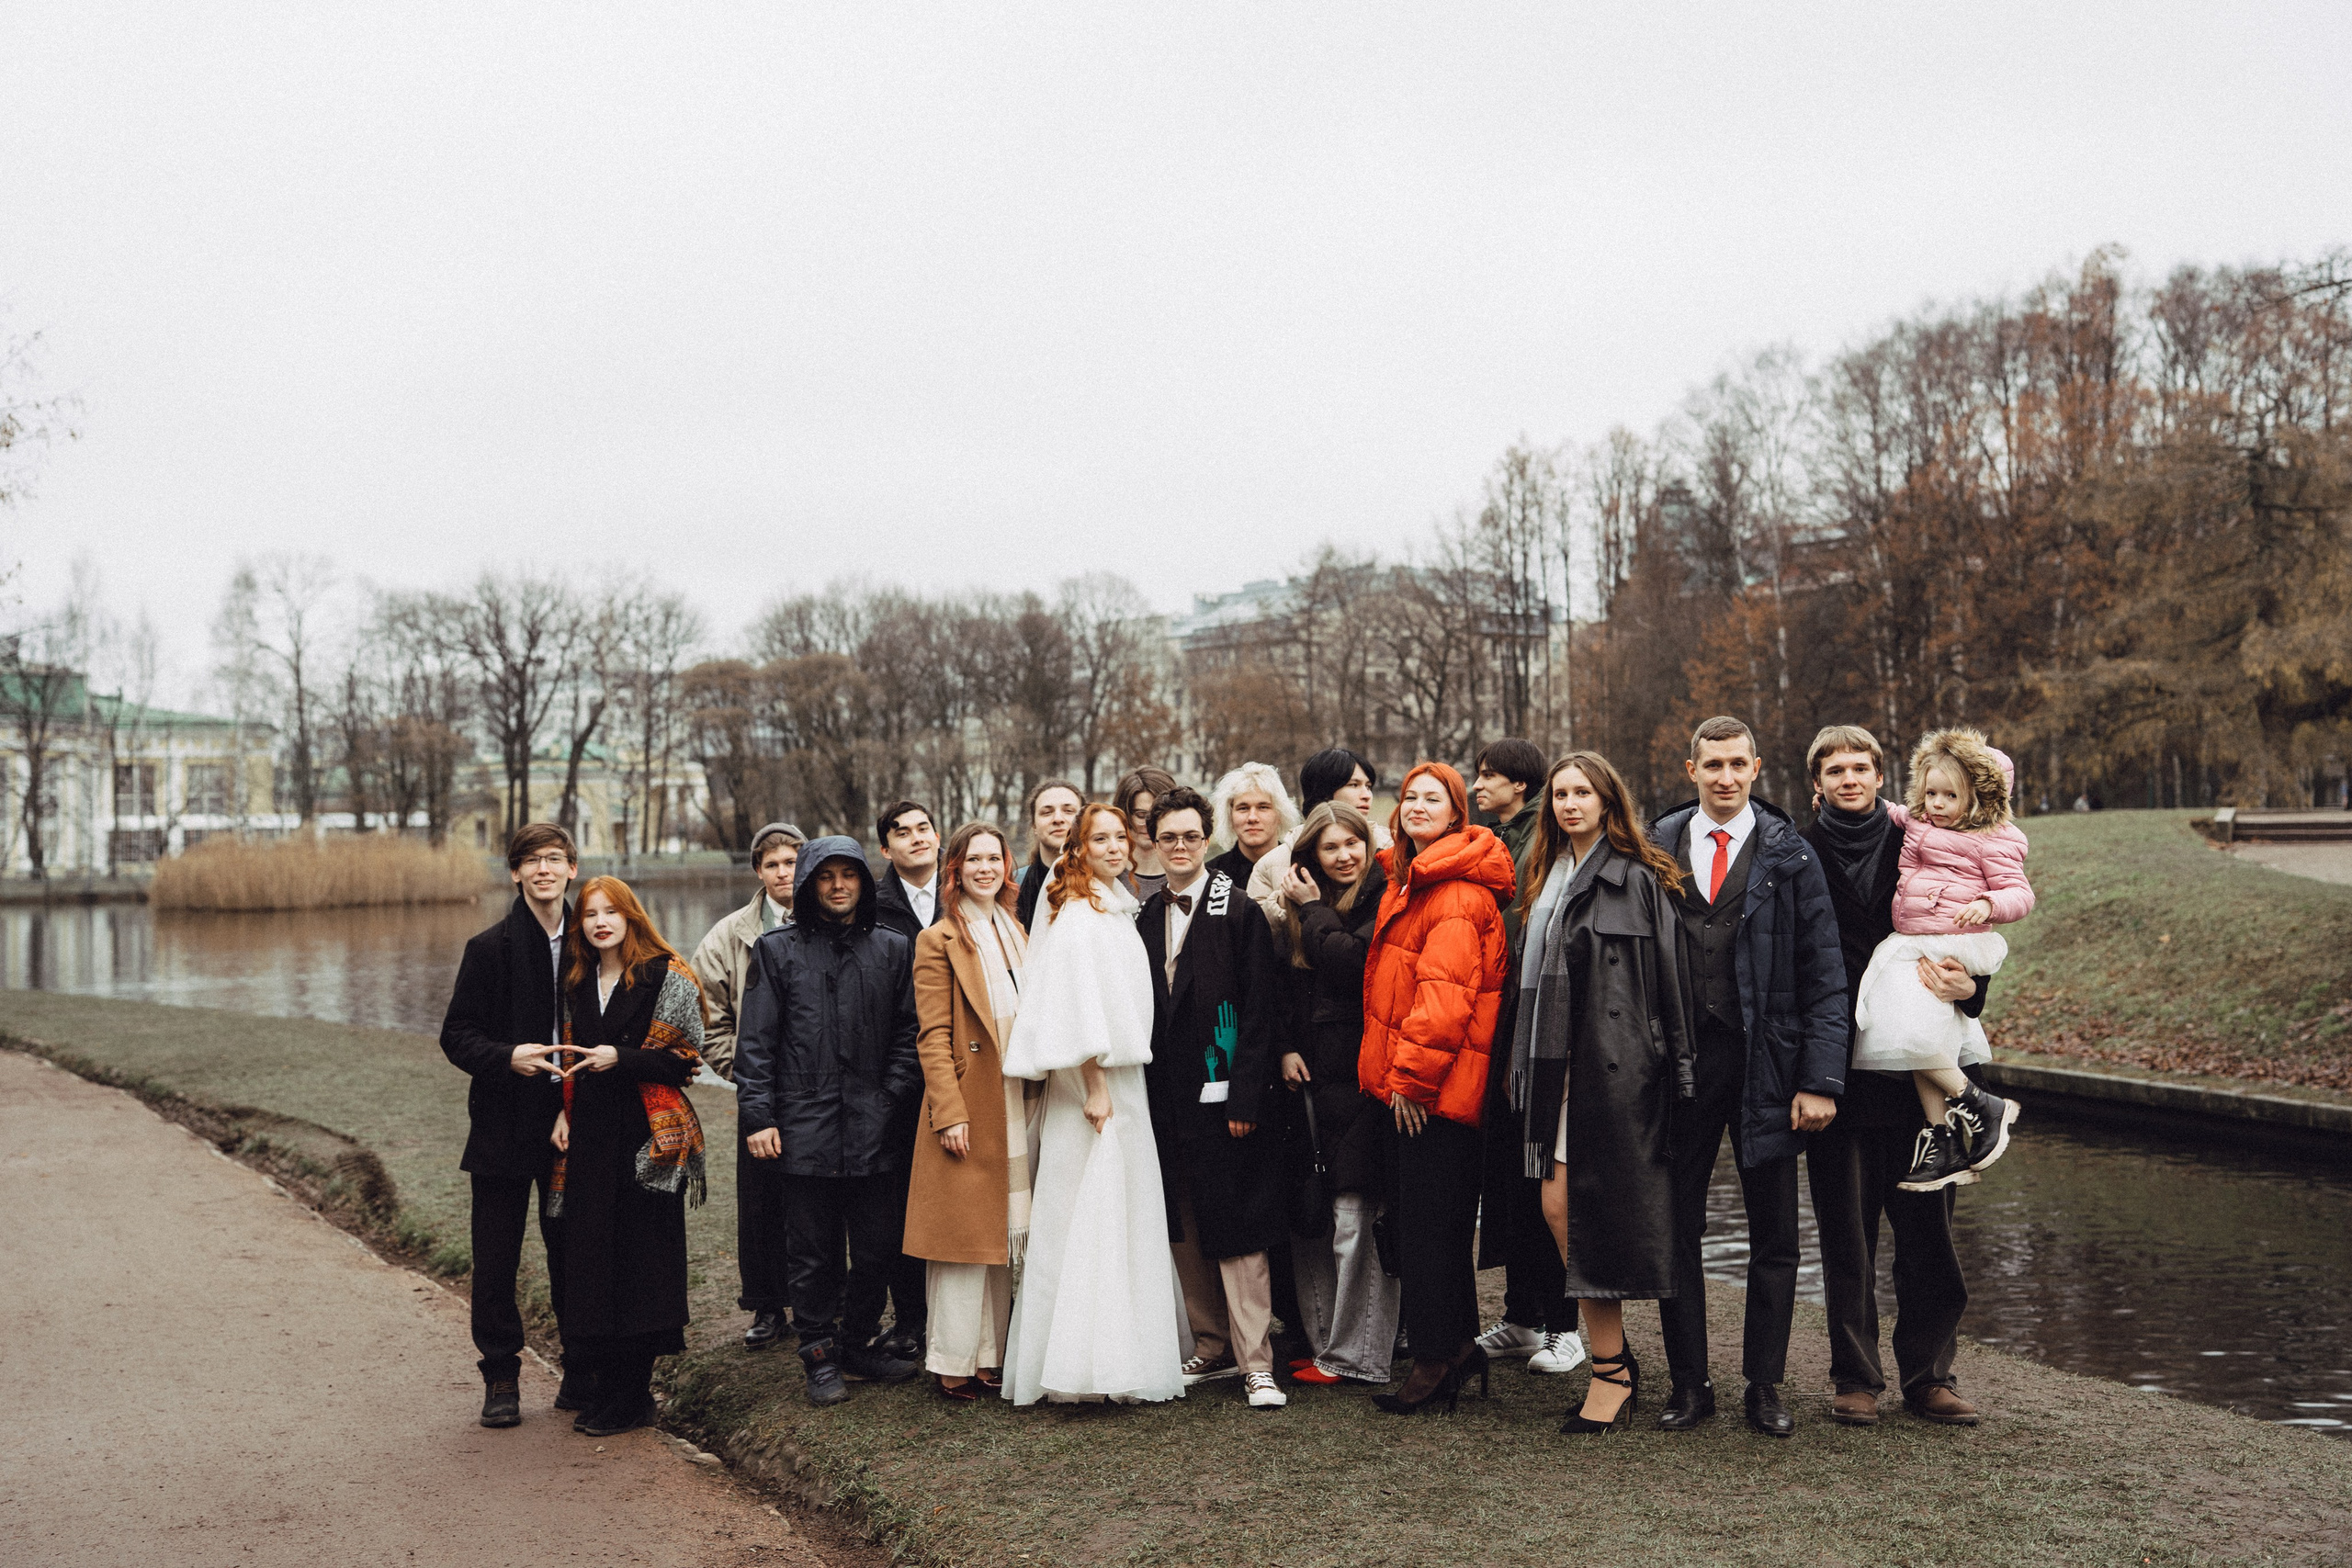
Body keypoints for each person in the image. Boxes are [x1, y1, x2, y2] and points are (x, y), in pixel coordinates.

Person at [1649, 716, 1848, 1438]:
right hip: (1680, 1069)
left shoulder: (1791, 855)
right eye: (1713, 765)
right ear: (1691, 767)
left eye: (1738, 764)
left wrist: (1820, 1079)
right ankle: (1689, 1383)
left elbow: (1826, 975)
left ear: (1757, 767)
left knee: (1774, 1233)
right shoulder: (1656, 848)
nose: (1726, 777)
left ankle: (1764, 1385)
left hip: (1768, 1064)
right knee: (1677, 1226)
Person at [1499, 752, 1695, 1434]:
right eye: (1560, 793)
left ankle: (1612, 1374)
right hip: (1555, 1072)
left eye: (1583, 792)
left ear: (1609, 801)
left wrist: (1669, 1071)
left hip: (1610, 1076)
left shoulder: (1636, 878)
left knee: (1574, 1214)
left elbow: (1663, 986)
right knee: (1560, 1212)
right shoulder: (1547, 875)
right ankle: (1615, 1365)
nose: (1569, 803)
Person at [1804, 726, 1987, 1428]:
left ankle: (1930, 1374)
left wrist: (1971, 988)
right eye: (1835, 769)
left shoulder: (1925, 836)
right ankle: (1856, 1376)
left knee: (1930, 1237)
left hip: (1923, 1073)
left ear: (1881, 776)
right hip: (1839, 1073)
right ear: (1816, 782)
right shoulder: (1797, 850)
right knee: (1847, 1238)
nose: (1850, 778)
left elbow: (1968, 924)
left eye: (1861, 766)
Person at [999, 803, 1188, 1405]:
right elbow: (1077, 1006)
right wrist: (1098, 1085)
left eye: (1119, 837)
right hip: (1096, 1082)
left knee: (1117, 1210)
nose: (1113, 846)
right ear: (1077, 848)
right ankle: (1083, 1365)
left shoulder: (1110, 905)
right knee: (1089, 1211)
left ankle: (1118, 1354)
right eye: (1098, 838)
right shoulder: (1078, 913)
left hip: (1121, 1076)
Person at [735, 837, 924, 1405]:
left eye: (849, 875)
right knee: (812, 1249)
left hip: (875, 1126)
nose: (838, 886)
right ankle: (818, 1352)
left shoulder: (893, 949)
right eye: (826, 876)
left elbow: (909, 1035)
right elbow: (757, 1044)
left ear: (864, 884)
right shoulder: (777, 951)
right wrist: (760, 1117)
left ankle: (856, 1341)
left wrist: (888, 1097)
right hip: (803, 1127)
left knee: (877, 1248)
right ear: (809, 884)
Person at [1359, 761, 1516, 1416]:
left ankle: (1434, 1356)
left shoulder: (1454, 892)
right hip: (1416, 1086)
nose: (1417, 806)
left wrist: (1413, 1084)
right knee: (1435, 1226)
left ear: (1458, 815)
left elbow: (1444, 1003)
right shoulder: (1412, 880)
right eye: (1411, 797)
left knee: (1429, 1228)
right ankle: (1454, 1347)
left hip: (1432, 1094)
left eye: (1434, 799)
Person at [1138, 784, 1290, 1409]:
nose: (1179, 846)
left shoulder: (1238, 910)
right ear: (1154, 842)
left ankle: (1257, 1361)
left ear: (1208, 840)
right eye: (1168, 836)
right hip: (1166, 1095)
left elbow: (1260, 1011)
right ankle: (1211, 1341)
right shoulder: (1145, 918)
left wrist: (1245, 1099)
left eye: (1190, 836)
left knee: (1239, 1223)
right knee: (1185, 1221)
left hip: (1228, 1091)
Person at [546, 875, 708, 1438]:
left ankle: (634, 1394)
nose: (600, 922)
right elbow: (567, 1059)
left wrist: (624, 1056)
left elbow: (687, 1062)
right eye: (589, 914)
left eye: (611, 911)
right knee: (594, 1264)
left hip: (646, 1142)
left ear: (631, 915)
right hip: (589, 1137)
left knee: (643, 1266)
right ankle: (611, 1389)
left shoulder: (666, 975)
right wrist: (563, 1111)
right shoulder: (576, 981)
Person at [438, 822, 578, 1429]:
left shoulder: (596, 942)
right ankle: (500, 1374)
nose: (543, 869)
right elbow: (457, 1036)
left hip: (571, 1126)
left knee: (573, 1252)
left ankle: (582, 1366)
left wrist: (574, 1106)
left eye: (554, 858)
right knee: (495, 1257)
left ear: (572, 867)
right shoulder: (488, 947)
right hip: (501, 1124)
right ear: (516, 873)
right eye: (531, 860)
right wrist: (508, 1056)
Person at [1849, 729, 2030, 1191]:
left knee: (1898, 1026)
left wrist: (1989, 904)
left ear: (1977, 798)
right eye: (1931, 793)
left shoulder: (1994, 838)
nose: (1938, 803)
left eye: (1951, 795)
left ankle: (1980, 1103)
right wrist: (1858, 800)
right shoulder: (1919, 821)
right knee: (1918, 1038)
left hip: (1955, 940)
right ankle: (1944, 1137)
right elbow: (1893, 811)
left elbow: (2020, 892)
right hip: (1917, 938)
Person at [905, 823, 1035, 1400]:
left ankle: (994, 1356)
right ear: (954, 868)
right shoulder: (938, 939)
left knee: (1003, 1233)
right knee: (964, 1240)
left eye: (994, 858)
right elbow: (931, 1036)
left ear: (1006, 866)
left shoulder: (1017, 928)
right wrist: (947, 1111)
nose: (985, 868)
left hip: (1021, 1093)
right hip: (971, 1098)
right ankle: (952, 1360)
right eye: (973, 859)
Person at [1273, 799, 1400, 1386]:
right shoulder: (1301, 909)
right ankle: (1326, 1344)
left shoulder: (1385, 894)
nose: (1344, 856)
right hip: (1312, 1080)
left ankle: (1363, 1354)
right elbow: (1290, 988)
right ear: (1311, 856)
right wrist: (1287, 1046)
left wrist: (1315, 908)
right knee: (1314, 1217)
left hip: (1365, 1077)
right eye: (1330, 848)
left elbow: (1356, 965)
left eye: (1352, 843)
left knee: (1357, 1218)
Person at [689, 821, 802, 1354]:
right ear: (759, 872)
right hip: (759, 1088)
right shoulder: (730, 933)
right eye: (774, 865)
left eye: (793, 862)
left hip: (818, 1091)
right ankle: (765, 1304)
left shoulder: (828, 922)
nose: (785, 873)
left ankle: (817, 1299)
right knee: (760, 1199)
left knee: (817, 1197)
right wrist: (743, 1071)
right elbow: (704, 1013)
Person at [871, 798, 949, 1362]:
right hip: (897, 1069)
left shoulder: (967, 891)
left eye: (924, 828)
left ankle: (968, 1316)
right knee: (901, 1196)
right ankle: (912, 1317)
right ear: (886, 847)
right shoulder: (873, 907)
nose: (916, 838)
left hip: (961, 1062)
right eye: (903, 832)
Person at [1245, 746, 1384, 938]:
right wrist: (1284, 905)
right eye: (1354, 785)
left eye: (1368, 786)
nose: (1367, 795)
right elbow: (1253, 935)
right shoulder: (1271, 864)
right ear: (1324, 790)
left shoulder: (1392, 848)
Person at [1208, 762, 1298, 891]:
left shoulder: (1299, 869)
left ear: (1280, 814)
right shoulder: (1210, 877)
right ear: (1230, 816)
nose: (1252, 818)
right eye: (1243, 808)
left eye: (1263, 807)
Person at [1014, 779, 1086, 931]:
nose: (1058, 819)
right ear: (1034, 825)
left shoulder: (1106, 884)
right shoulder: (1013, 886)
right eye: (1047, 812)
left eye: (1069, 811)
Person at [1472, 737, 1549, 875]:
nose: (1476, 786)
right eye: (1479, 776)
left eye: (1488, 775)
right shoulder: (1492, 838)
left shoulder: (1545, 838)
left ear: (1519, 784)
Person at [1114, 766, 1179, 902]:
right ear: (1123, 815)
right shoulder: (1106, 876)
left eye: (1158, 814)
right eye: (1141, 815)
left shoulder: (1186, 874)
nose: (1150, 823)